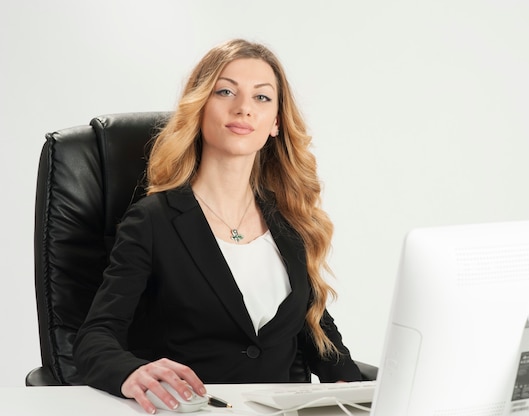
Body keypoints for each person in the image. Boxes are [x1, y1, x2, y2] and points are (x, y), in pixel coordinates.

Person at [73, 38, 362, 414]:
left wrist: (362, 390)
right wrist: (132, 371)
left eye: (261, 98)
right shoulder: (153, 221)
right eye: (225, 91)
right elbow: (95, 337)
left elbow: (317, 331)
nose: (243, 108)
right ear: (200, 108)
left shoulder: (290, 222)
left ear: (275, 122)